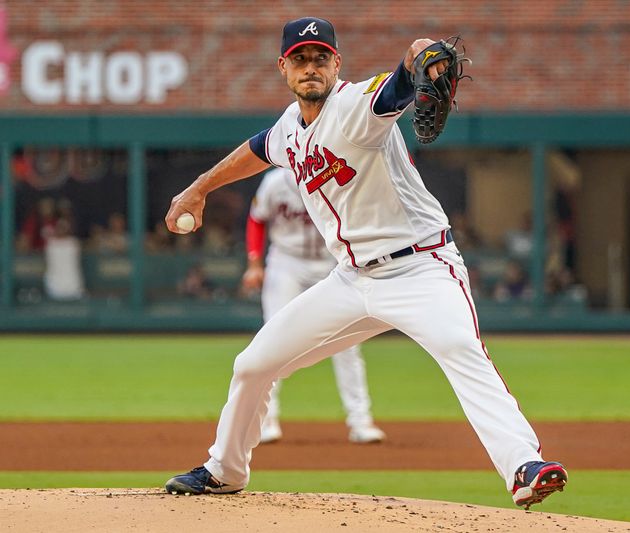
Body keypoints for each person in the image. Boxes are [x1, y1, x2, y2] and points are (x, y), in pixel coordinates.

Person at [163, 17, 567, 509]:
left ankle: (524, 464)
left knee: (460, 347)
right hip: (351, 281)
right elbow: (255, 150)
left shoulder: (356, 105)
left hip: (421, 268)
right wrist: (197, 188)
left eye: (319, 58)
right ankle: (224, 470)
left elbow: (397, 83)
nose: (309, 67)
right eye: (299, 59)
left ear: (337, 64)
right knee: (252, 365)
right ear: (283, 68)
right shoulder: (289, 129)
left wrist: (421, 51)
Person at [242, 166, 386, 444]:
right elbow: (256, 219)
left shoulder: (337, 175)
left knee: (347, 342)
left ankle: (360, 421)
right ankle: (267, 419)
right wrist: (254, 262)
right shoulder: (275, 182)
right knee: (274, 337)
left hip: (332, 262)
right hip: (286, 262)